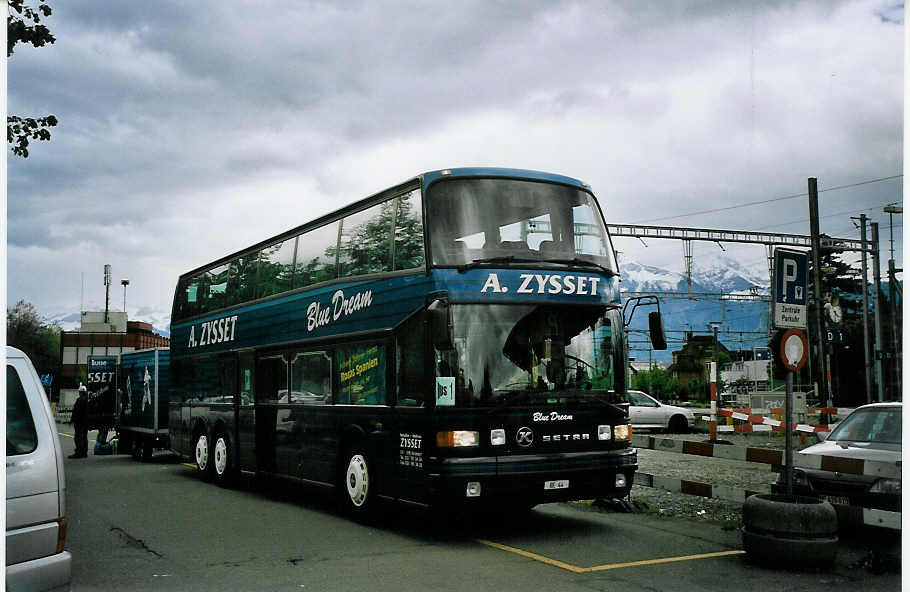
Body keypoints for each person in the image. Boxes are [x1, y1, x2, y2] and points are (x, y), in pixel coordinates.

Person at [70, 385, 88, 459]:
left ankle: (79, 452)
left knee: (78, 437)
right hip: (85, 422)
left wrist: (73, 419)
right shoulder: (87, 400)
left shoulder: (79, 400)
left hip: (79, 422)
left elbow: (76, 411)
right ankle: (84, 452)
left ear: (80, 392)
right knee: (84, 437)